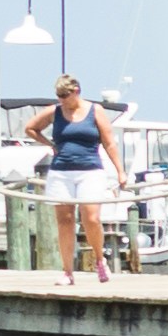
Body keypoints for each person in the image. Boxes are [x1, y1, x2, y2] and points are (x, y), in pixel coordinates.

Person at [42, 77, 119, 276]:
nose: (61, 100)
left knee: (91, 218)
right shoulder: (55, 111)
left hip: (90, 169)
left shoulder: (95, 110)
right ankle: (67, 271)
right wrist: (49, 144)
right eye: (58, 96)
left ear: (76, 91)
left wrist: (120, 170)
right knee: (65, 221)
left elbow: (109, 142)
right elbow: (30, 128)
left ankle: (100, 260)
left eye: (64, 96)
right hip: (61, 171)